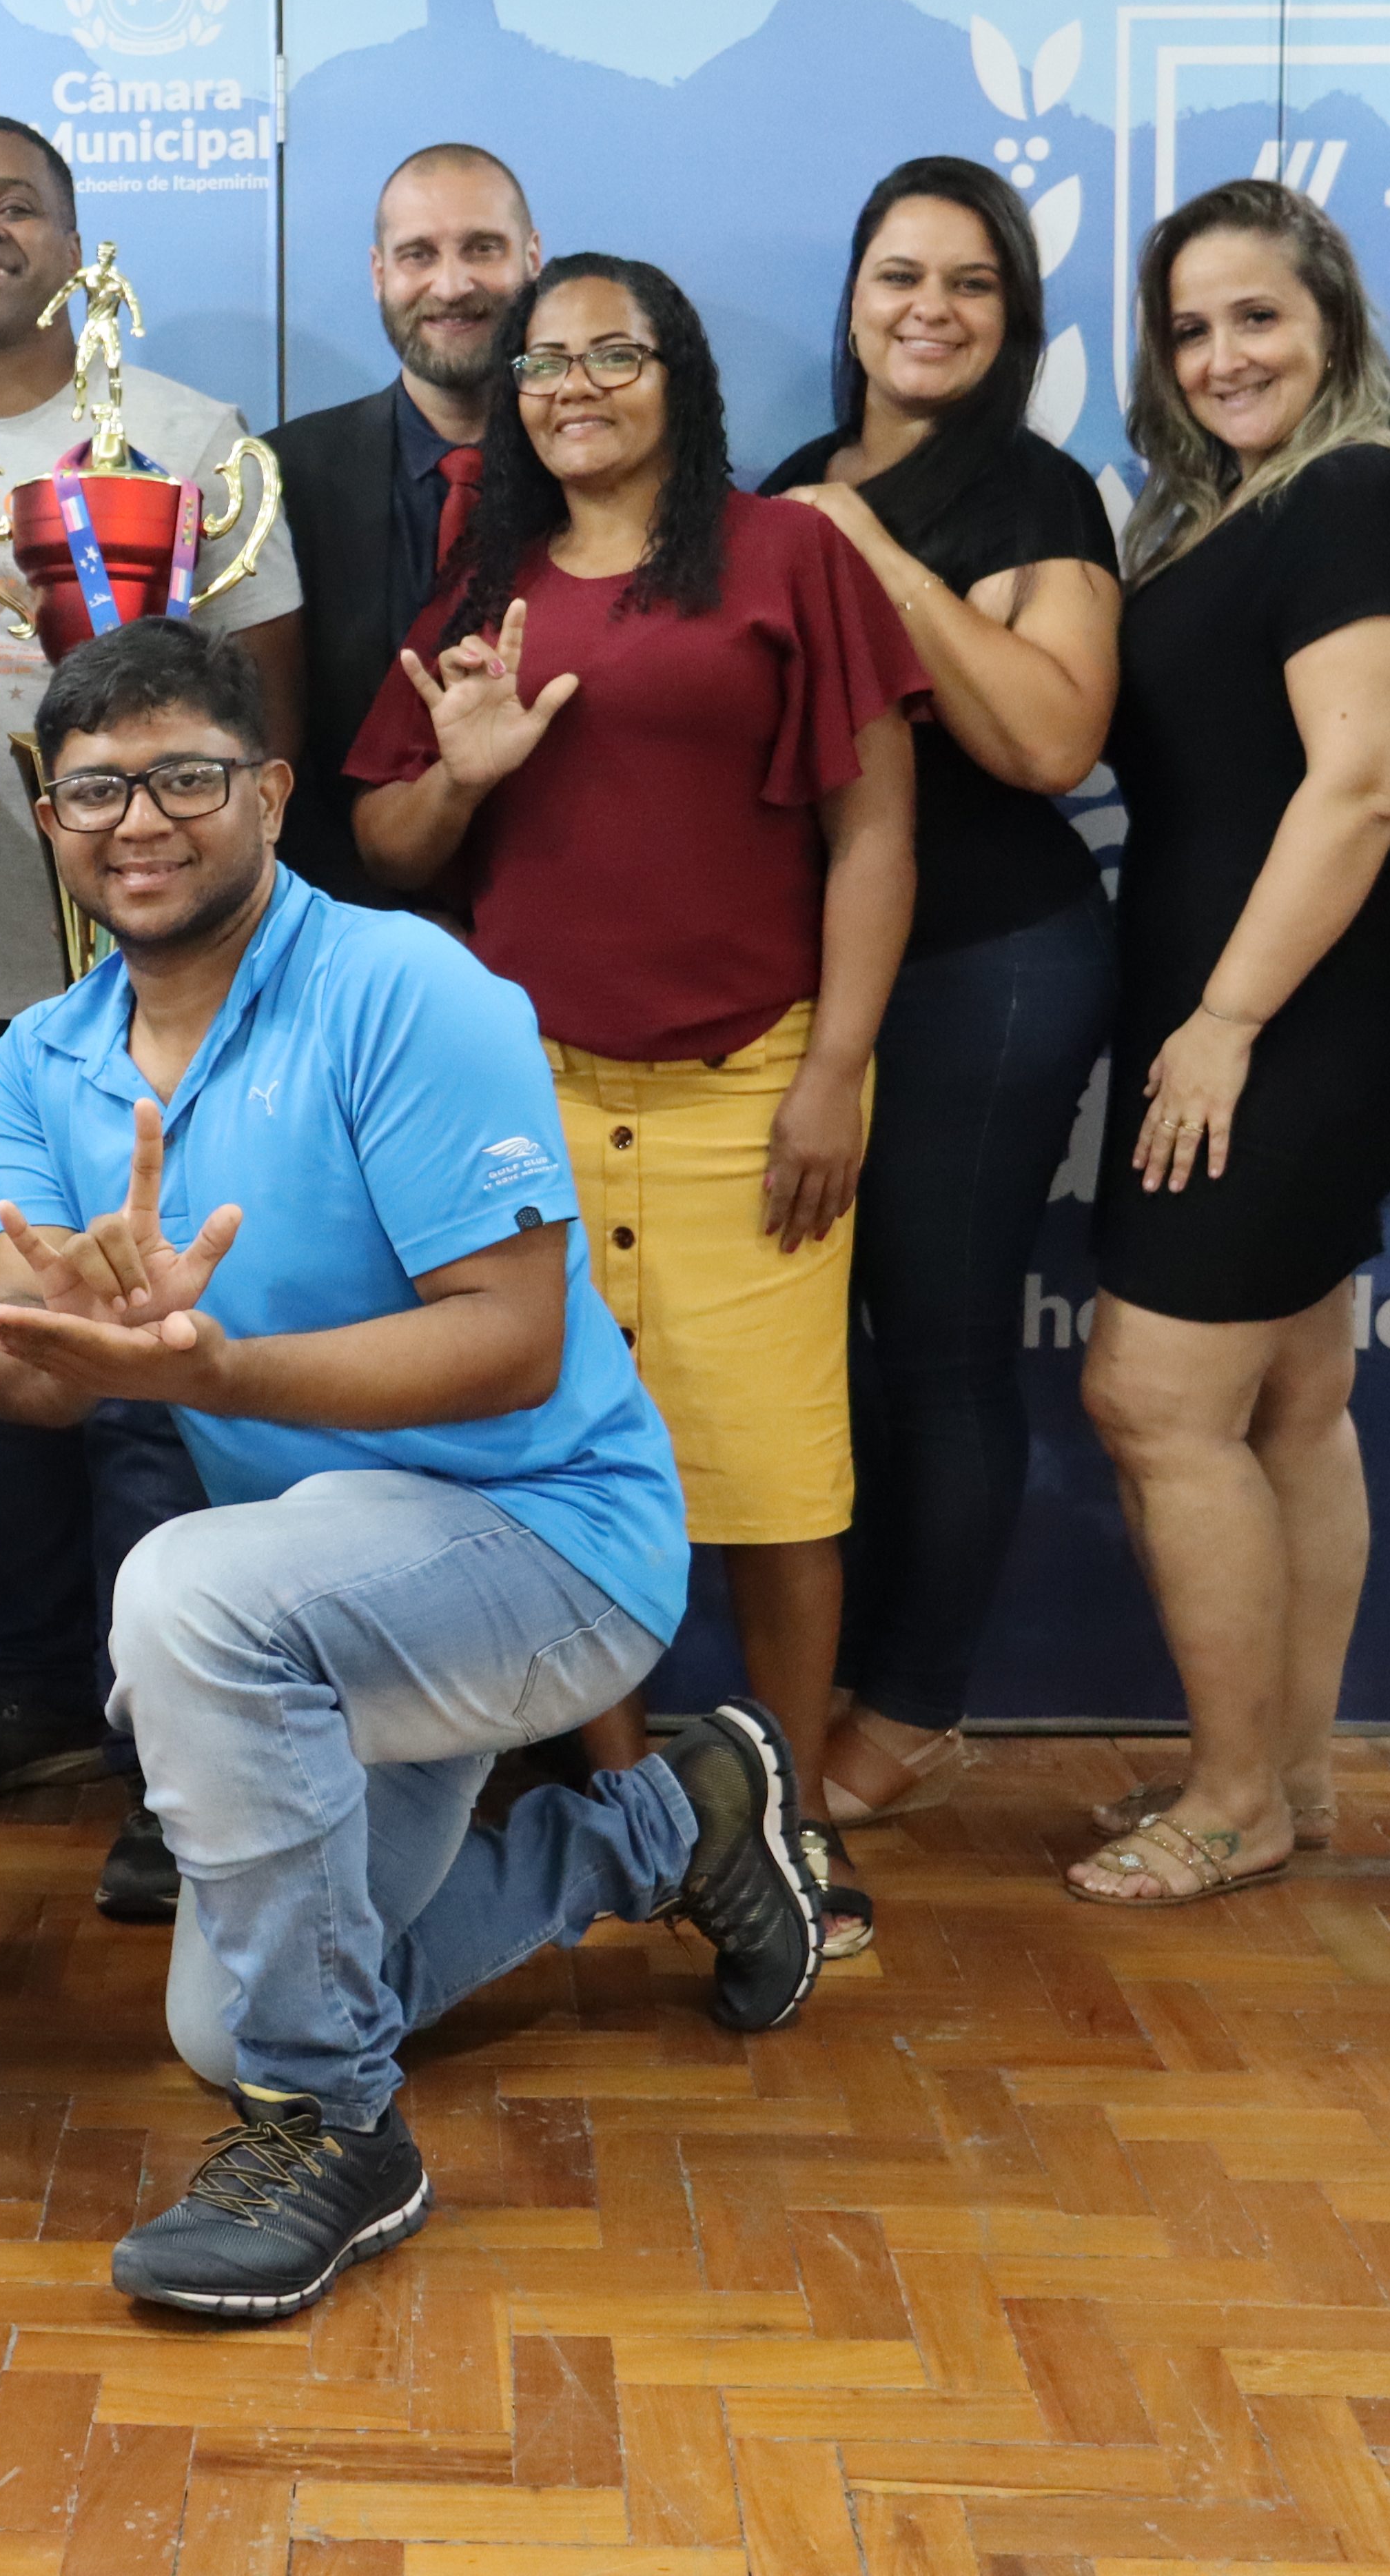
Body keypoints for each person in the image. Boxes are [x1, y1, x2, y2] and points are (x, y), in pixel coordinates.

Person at [0, 620, 821, 2320]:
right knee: (224, 2013)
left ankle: (335, 2131)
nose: (142, 820)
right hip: (335, 1584)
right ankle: (678, 1815)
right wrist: (54, 1336)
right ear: (49, 818)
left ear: (273, 794)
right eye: (96, 790)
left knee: (183, 1600)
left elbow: (507, 1338)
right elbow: (14, 1370)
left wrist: (217, 1367)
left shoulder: (407, 987)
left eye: (188, 777)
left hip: (552, 1542)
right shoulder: (36, 1058)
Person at [348, 255, 921, 1960]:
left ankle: (794, 1817)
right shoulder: (487, 584)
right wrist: (467, 769)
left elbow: (876, 832)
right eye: (544, 360)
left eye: (614, 352)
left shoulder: (788, 554)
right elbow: (383, 851)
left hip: (751, 1084)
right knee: (560, 1472)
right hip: (523, 1106)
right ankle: (651, 1821)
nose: (574, 384)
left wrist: (833, 1071)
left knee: (772, 1476)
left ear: (681, 372)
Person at [0, 116, 294, 1902]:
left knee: (171, 1376)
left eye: (15, 202)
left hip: (185, 1003)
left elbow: (269, 721)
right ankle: (32, 1688)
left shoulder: (189, 444)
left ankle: (186, 1752)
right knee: (7, 1364)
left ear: (75, 242)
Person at [1063, 179, 1390, 1911]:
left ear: (1335, 326)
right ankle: (1287, 1768)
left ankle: (1229, 1798)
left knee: (1152, 1395)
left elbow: (1365, 779)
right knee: (1293, 1393)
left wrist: (1226, 1021)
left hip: (1300, 1009)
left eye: (1259, 318)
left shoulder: (1366, 493)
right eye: (1191, 326)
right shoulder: (1227, 512)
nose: (1223, 354)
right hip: (1242, 1000)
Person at [757, 160, 1123, 1846]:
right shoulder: (774, 489)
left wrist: (875, 559)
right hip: (812, 980)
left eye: (970, 283)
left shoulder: (1043, 498)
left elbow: (1046, 741)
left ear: (1014, 318)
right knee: (815, 1358)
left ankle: (912, 1708)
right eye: (899, 273)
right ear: (849, 299)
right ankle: (820, 1683)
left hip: (990, 971)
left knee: (946, 1350)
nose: (930, 308)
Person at [266, 143, 541, 909]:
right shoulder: (281, 479)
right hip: (340, 948)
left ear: (532, 258)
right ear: (379, 273)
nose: (452, 285)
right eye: (418, 254)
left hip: (566, 939)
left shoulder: (605, 473)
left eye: (482, 249)